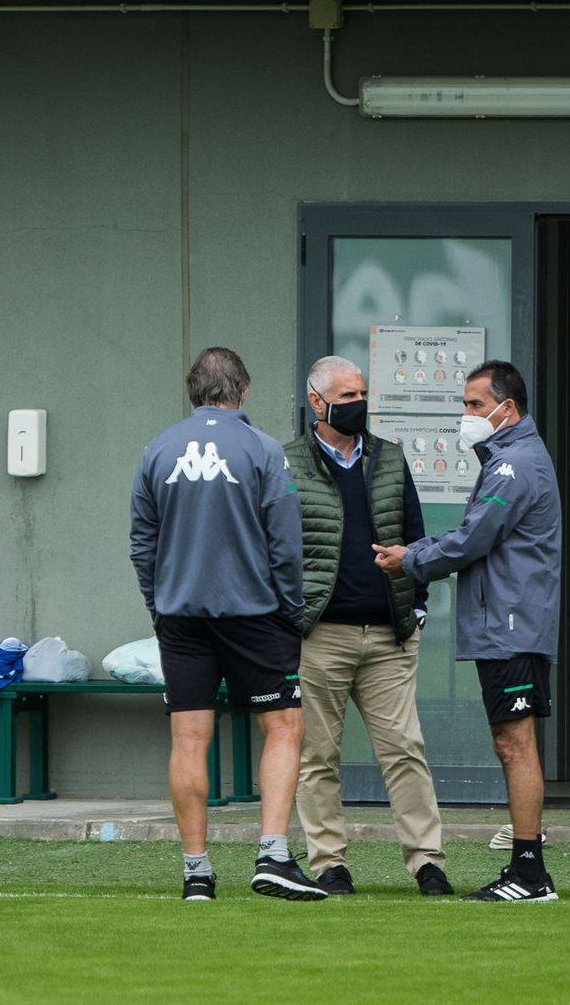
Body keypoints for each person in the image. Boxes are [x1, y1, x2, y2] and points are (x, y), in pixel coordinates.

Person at [130, 347, 326, 903]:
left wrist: (159, 603)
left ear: (194, 391)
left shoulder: (156, 450)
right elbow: (286, 545)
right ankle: (273, 857)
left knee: (189, 738)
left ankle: (196, 871)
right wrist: (291, 609)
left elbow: (142, 545)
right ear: (242, 391)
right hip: (256, 614)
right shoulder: (264, 450)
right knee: (284, 728)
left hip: (180, 615)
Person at [374, 360, 562, 902]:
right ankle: (527, 868)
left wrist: (410, 559)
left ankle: (529, 872)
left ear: (508, 409)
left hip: (511, 626)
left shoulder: (513, 466)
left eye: (475, 405)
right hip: (506, 624)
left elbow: (470, 540)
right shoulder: (508, 460)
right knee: (510, 741)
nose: (467, 416)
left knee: (516, 743)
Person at [286, 355, 453, 897]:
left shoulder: (389, 457)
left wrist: (418, 605)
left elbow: (416, 534)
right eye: (348, 396)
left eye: (362, 394)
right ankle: (329, 864)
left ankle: (428, 861)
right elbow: (276, 550)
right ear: (317, 401)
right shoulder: (286, 463)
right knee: (318, 757)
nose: (359, 404)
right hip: (321, 634)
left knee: (405, 750)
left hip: (388, 635)